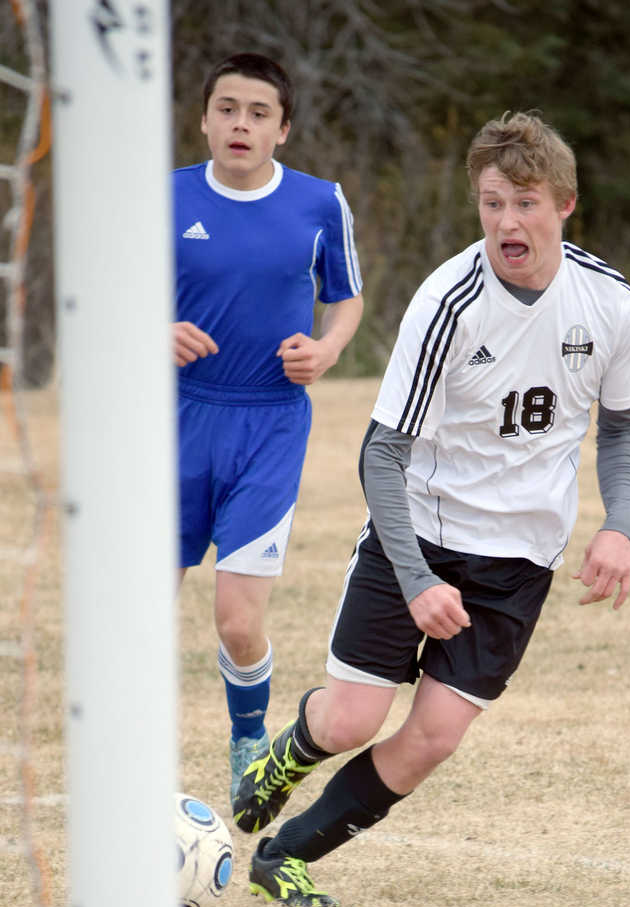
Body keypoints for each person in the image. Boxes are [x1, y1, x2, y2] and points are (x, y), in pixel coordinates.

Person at [232, 111, 630, 907]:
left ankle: (281, 858)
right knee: (353, 719)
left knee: (432, 738)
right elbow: (381, 454)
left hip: (519, 560)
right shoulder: (449, 301)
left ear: (565, 204)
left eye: (526, 202)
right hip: (419, 535)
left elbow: (626, 424)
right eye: (492, 203)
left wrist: (619, 524)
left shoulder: (610, 304)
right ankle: (292, 749)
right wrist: (419, 576)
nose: (507, 222)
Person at [172, 53, 364, 809]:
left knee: (238, 621)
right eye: (226, 108)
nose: (240, 124)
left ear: (283, 129)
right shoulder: (164, 198)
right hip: (173, 418)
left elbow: (345, 298)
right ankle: (130, 763)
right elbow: (107, 296)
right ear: (205, 118)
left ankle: (249, 741)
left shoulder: (321, 204)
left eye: (257, 113)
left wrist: (327, 348)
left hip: (269, 427)